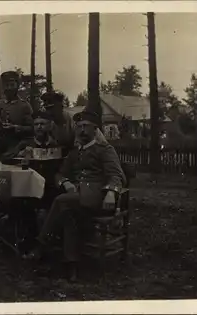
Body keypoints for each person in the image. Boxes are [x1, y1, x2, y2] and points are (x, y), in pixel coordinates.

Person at [24, 110, 126, 280]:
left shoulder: (104, 149)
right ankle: (72, 266)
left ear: (95, 129)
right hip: (77, 199)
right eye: (79, 127)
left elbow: (116, 174)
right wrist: (66, 183)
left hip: (97, 197)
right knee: (68, 215)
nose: (82, 130)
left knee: (61, 201)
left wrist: (110, 192)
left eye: (86, 126)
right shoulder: (74, 152)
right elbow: (59, 173)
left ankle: (41, 245)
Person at [1, 111, 66, 252]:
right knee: (18, 206)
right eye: (36, 124)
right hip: (27, 188)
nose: (39, 127)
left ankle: (44, 248)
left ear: (50, 126)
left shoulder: (57, 145)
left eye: (42, 124)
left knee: (44, 211)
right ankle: (25, 243)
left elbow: (64, 168)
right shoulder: (26, 144)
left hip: (50, 188)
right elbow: (5, 158)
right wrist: (19, 156)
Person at [0, 71, 34, 151]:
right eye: (6, 85)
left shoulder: (24, 106)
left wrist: (16, 128)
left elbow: (32, 128)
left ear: (17, 86)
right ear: (2, 87)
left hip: (17, 146)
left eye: (12, 85)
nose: (9, 88)